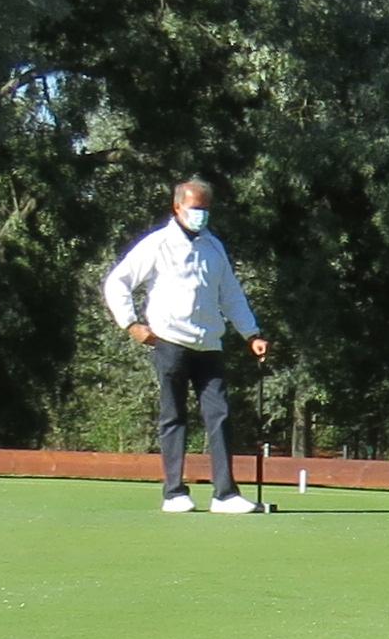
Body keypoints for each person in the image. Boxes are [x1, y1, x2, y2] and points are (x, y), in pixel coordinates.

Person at [101, 178, 271, 515]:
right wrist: (131, 324)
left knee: (220, 416)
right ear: (177, 207)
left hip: (209, 343)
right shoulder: (158, 244)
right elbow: (117, 282)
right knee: (174, 416)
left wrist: (252, 334)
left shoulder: (213, 247)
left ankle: (225, 494)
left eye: (206, 209)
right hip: (170, 341)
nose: (201, 216)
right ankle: (174, 492)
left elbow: (230, 294)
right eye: (195, 209)